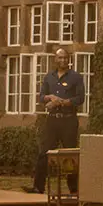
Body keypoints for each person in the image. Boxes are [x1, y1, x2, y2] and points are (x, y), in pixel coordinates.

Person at [29, 47, 85, 193]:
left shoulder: (76, 77)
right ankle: (38, 187)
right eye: (60, 58)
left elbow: (80, 98)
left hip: (69, 120)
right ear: (55, 59)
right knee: (44, 153)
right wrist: (50, 98)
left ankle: (74, 189)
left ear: (69, 60)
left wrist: (62, 102)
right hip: (52, 120)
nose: (63, 60)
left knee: (70, 155)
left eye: (65, 58)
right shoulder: (49, 77)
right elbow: (41, 97)